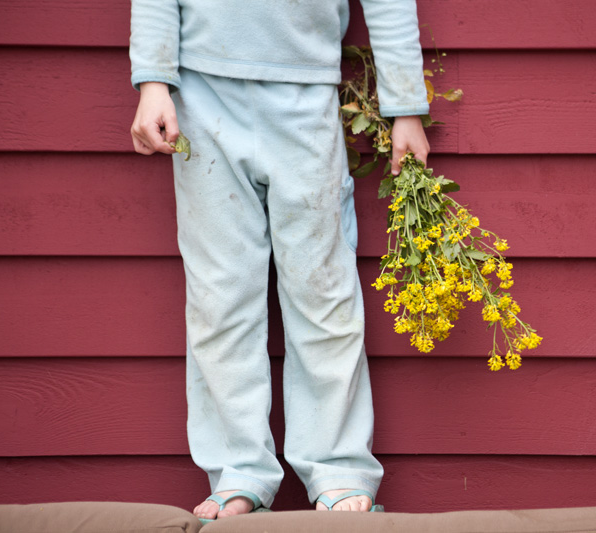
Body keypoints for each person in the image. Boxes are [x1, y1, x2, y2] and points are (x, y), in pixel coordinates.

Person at [128, 0, 430, 521]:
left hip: (307, 93)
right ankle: (237, 470)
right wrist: (154, 79)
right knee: (219, 297)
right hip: (202, 92)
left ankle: (337, 467)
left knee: (323, 293)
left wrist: (406, 107)